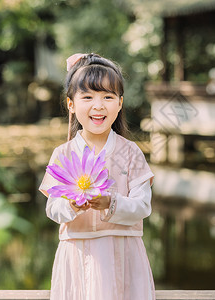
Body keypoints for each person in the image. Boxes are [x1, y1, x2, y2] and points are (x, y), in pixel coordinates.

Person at [39, 53, 156, 300]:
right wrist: (70, 205)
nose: (98, 105)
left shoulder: (131, 153)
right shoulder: (63, 154)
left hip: (124, 252)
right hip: (77, 253)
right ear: (71, 104)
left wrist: (110, 203)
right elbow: (53, 208)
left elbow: (143, 205)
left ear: (120, 103)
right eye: (88, 97)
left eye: (108, 97)